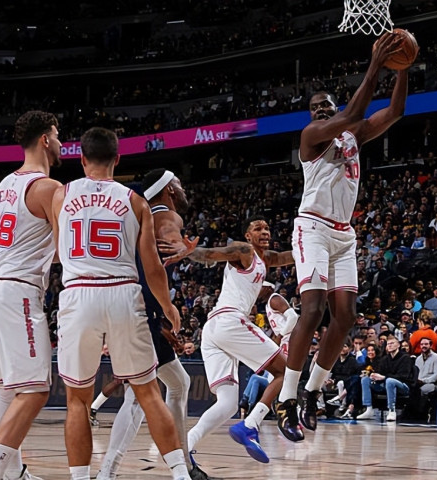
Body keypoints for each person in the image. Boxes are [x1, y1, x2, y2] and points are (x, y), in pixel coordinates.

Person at [276, 31, 411, 441]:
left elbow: (396, 110)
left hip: (343, 234)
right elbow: (353, 112)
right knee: (312, 310)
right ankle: (287, 399)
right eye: (315, 107)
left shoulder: (353, 136)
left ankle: (313, 391)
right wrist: (375, 64)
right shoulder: (311, 137)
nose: (320, 110)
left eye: (326, 105)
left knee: (347, 316)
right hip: (312, 227)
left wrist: (403, 69)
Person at [51, 127, 191, 480]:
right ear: (118, 158)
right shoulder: (135, 201)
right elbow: (152, 267)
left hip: (79, 292)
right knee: (149, 393)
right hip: (122, 294)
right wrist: (168, 306)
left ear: (82, 159)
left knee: (77, 400)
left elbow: (58, 250)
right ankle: (181, 474)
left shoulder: (61, 195)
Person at [161, 216, 294, 463]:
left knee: (228, 403)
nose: (265, 231)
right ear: (248, 236)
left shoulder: (267, 258)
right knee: (284, 370)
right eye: (258, 228)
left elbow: (292, 256)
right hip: (229, 320)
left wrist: (321, 248)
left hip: (214, 330)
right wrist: (190, 252)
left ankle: (185, 446)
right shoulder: (244, 250)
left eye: (267, 228)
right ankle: (251, 425)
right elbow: (211, 254)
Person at [0, 110, 62, 480]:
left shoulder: (5, 184)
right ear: (45, 139)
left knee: (5, 389)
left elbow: (31, 242)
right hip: (18, 292)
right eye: (57, 135)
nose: (60, 142)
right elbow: (66, 248)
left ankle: (14, 474)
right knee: (35, 390)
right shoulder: (49, 188)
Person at [97, 168, 199, 479]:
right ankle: (107, 471)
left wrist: (161, 321)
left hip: (136, 310)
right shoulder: (166, 214)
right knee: (137, 397)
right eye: (178, 183)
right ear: (169, 189)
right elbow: (168, 235)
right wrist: (185, 248)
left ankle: (185, 462)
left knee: (179, 383)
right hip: (138, 311)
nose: (182, 188)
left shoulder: (136, 217)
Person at [358, 335, 415, 422]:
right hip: (386, 384)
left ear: (398, 345)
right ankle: (368, 409)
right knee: (365, 379)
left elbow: (403, 376)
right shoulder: (385, 359)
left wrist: (384, 377)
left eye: (392, 343)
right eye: (388, 344)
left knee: (390, 381)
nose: (390, 345)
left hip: (403, 385)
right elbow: (381, 373)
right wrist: (375, 375)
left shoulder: (405, 358)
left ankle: (392, 410)